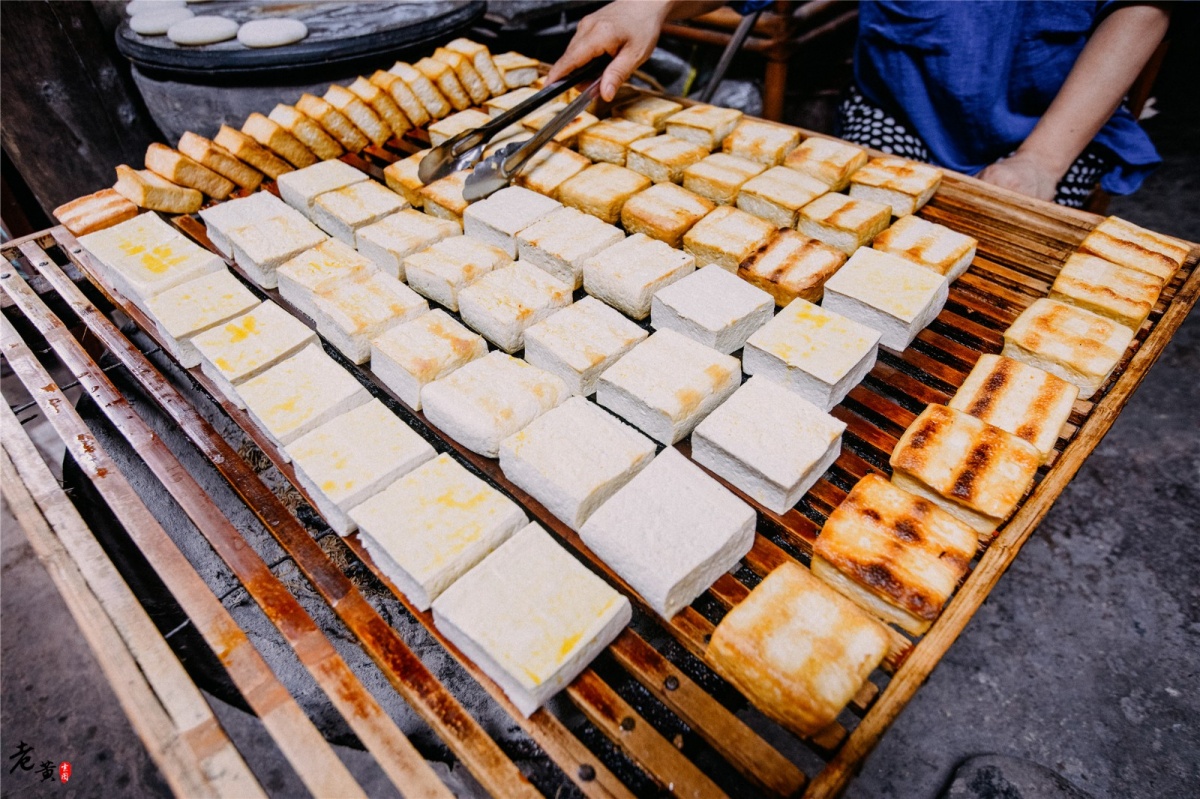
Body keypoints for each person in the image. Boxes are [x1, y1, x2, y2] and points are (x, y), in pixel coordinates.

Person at [548, 0, 1172, 207]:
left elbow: (1142, 9)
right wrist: (654, 4)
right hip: (897, 109)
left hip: (1049, 122)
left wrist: (1040, 160)